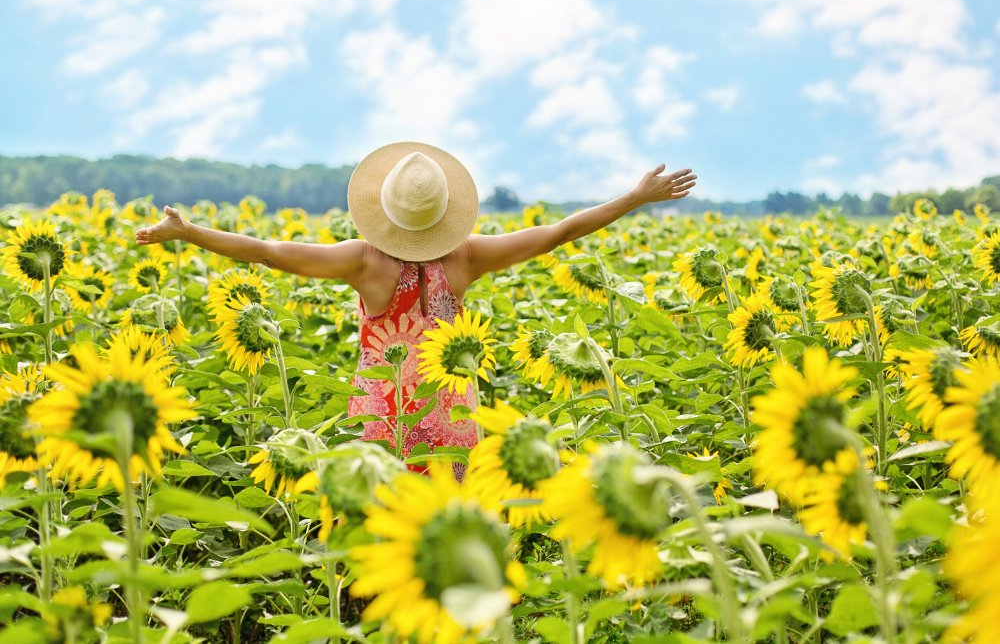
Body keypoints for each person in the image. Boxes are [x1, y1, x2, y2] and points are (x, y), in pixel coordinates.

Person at [135, 141, 696, 471]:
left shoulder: (364, 263)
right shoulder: (468, 256)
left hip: (387, 418)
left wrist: (190, 233)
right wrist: (635, 197)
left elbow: (269, 252)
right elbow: (557, 232)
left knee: (386, 535)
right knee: (449, 534)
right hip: (453, 415)